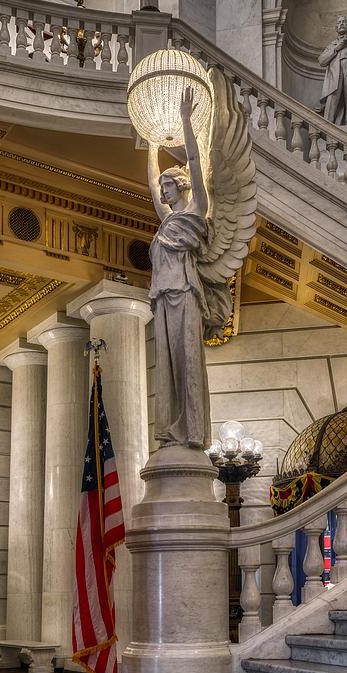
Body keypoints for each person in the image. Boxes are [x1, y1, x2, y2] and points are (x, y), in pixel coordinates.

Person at [146, 87, 213, 449]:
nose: (165, 191)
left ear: (182, 185)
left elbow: (195, 160)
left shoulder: (195, 210)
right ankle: (172, 428)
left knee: (187, 361)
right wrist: (149, 146)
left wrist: (186, 120)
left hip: (185, 292)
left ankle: (193, 430)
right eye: (164, 186)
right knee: (168, 366)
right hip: (162, 295)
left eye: (169, 185)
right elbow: (151, 189)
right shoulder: (167, 220)